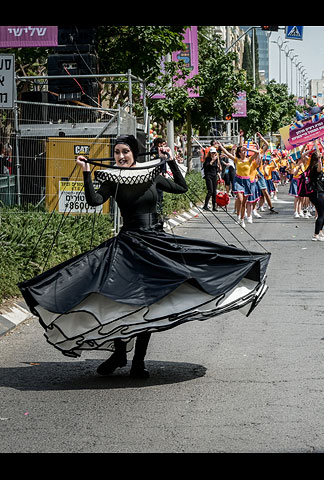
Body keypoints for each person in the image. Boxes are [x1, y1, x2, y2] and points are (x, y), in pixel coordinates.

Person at [19, 134, 270, 378]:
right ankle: (119, 355)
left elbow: (182, 188)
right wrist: (86, 172)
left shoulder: (152, 174)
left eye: (125, 152)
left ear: (134, 153)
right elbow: (94, 200)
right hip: (127, 246)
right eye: (116, 152)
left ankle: (138, 362)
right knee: (119, 300)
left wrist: (170, 160)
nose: (120, 156)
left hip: (155, 244)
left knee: (148, 302)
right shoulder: (111, 177)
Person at [305, 142, 324, 241]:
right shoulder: (315, 167)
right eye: (319, 156)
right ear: (317, 159)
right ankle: (315, 235)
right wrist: (319, 159)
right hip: (315, 193)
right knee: (321, 213)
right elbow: (319, 169)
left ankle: (320, 231)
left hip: (318, 192)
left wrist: (319, 143)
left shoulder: (317, 163)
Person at [202, 144, 221, 211]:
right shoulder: (208, 159)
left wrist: (218, 174)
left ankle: (214, 206)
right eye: (212, 153)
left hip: (214, 175)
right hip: (208, 175)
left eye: (214, 153)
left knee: (214, 192)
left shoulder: (216, 159)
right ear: (210, 153)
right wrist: (212, 161)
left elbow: (216, 168)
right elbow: (206, 166)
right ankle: (205, 205)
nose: (213, 154)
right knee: (210, 191)